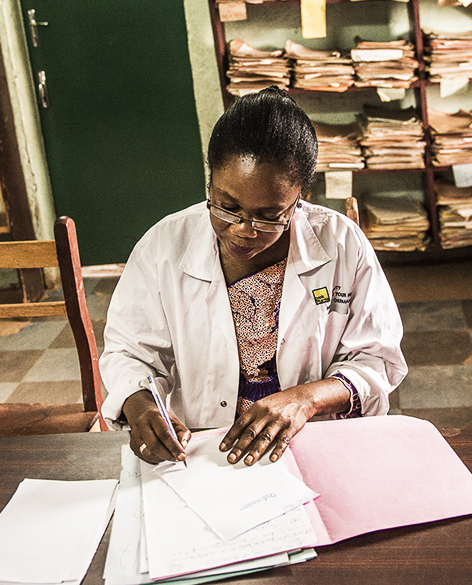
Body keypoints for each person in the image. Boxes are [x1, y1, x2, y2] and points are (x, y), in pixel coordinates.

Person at [100, 86, 406, 467]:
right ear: (209, 182)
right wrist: (140, 404)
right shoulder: (164, 246)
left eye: (269, 214)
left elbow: (377, 359)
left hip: (311, 443)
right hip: (199, 451)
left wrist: (305, 399)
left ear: (300, 197)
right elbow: (130, 352)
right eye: (227, 207)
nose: (244, 230)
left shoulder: (341, 242)